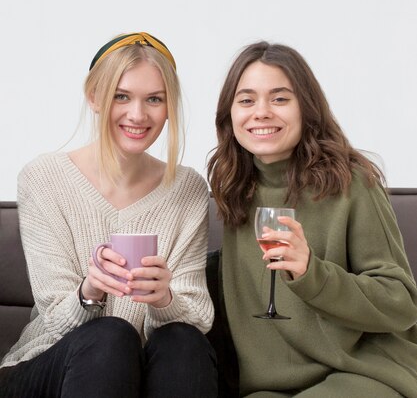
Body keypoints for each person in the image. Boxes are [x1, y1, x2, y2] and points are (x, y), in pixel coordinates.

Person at [0, 32, 217, 398]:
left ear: (169, 107)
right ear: (94, 96)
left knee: (183, 341)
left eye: (154, 99)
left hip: (146, 372)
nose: (138, 114)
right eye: (121, 96)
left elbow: (198, 316)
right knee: (111, 335)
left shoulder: (188, 190)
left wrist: (165, 299)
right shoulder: (43, 179)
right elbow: (53, 320)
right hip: (45, 368)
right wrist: (90, 292)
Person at [207, 41, 417, 398]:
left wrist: (310, 274)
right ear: (230, 115)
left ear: (307, 107)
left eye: (279, 98)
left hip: (364, 372)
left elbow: (400, 303)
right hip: (268, 387)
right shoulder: (233, 190)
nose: (261, 112)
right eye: (246, 100)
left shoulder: (352, 185)